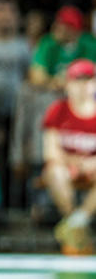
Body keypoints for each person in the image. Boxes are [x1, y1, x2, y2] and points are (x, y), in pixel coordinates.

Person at [42, 59, 96, 255]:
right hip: (66, 168)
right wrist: (72, 162)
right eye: (77, 81)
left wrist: (90, 163)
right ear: (68, 84)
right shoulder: (58, 110)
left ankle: (76, 224)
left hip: (92, 169)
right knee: (55, 172)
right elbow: (50, 151)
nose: (83, 87)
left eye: (88, 81)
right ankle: (75, 223)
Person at [28, 6, 96, 90]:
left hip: (81, 90)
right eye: (58, 22)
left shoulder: (89, 43)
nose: (57, 27)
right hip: (52, 91)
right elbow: (36, 75)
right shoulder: (47, 42)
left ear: (74, 29)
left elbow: (91, 74)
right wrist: (54, 82)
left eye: (64, 24)